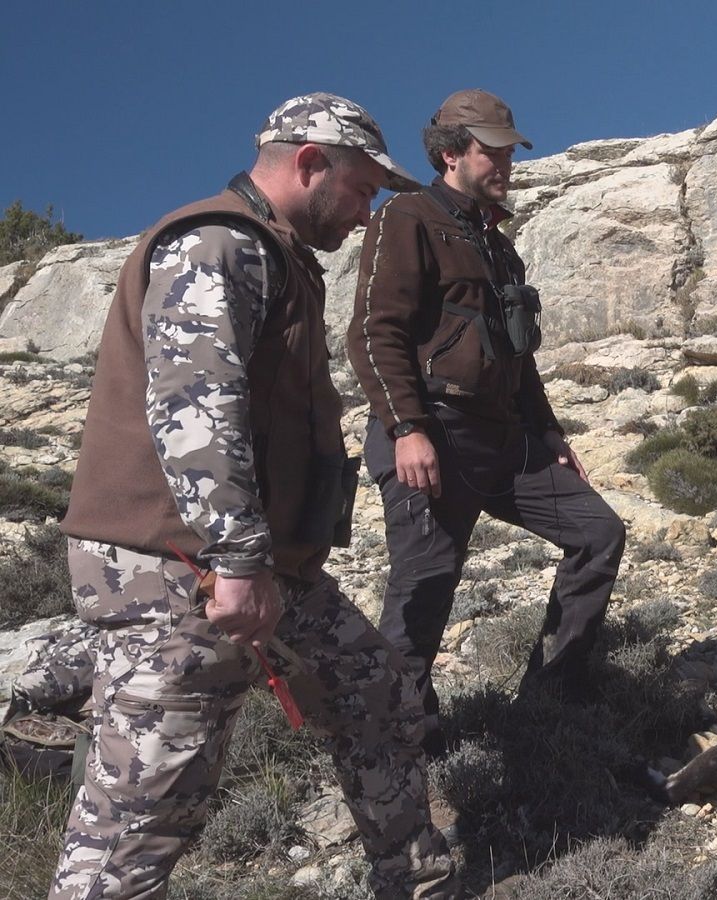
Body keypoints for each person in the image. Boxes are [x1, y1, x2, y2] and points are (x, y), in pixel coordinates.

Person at [52, 94, 458, 899]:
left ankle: (415, 879)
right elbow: (196, 408)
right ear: (311, 163)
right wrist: (237, 556)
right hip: (178, 568)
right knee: (143, 805)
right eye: (363, 188)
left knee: (372, 689)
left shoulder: (278, 258)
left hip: (266, 565)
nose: (366, 212)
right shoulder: (219, 244)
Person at [347, 89, 625, 753]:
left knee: (598, 532)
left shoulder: (499, 246)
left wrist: (551, 436)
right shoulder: (407, 218)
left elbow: (519, 361)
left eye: (507, 150)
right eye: (491, 150)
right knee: (424, 594)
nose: (505, 160)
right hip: (433, 434)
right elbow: (373, 333)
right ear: (450, 153)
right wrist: (406, 428)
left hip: (506, 440)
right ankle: (406, 741)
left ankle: (553, 689)